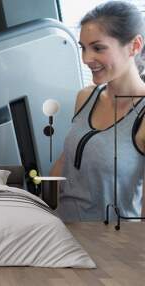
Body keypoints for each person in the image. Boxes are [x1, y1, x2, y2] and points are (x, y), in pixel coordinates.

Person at [51, 1, 145, 222]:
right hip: (62, 229)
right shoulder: (86, 96)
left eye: (98, 48)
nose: (85, 59)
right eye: (83, 47)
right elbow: (65, 161)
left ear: (134, 46)